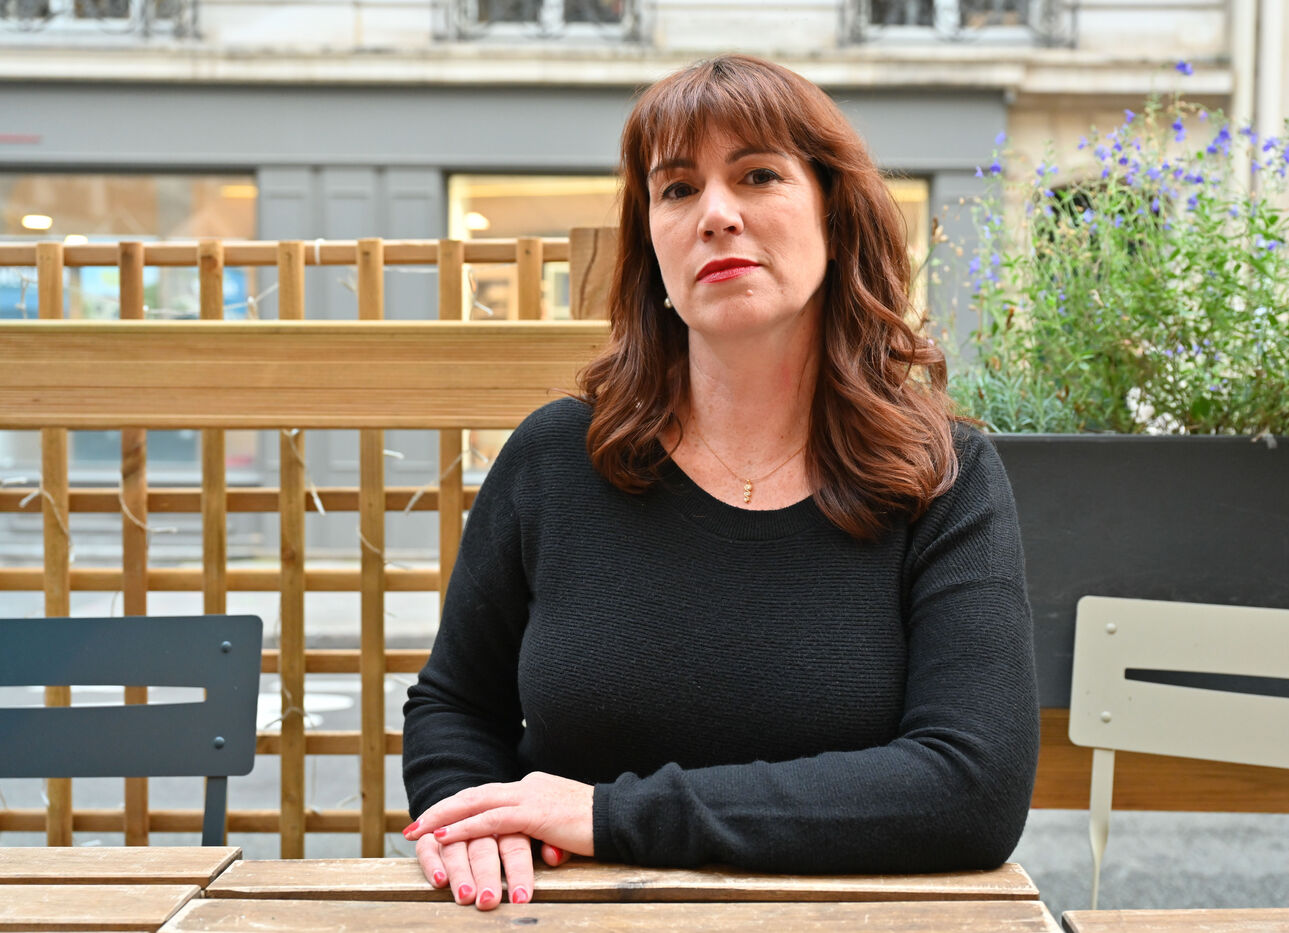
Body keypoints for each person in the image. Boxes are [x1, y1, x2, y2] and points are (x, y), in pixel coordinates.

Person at [401, 54, 1039, 912]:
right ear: (652, 246)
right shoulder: (556, 458)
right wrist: (479, 824)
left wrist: (608, 814)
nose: (716, 214)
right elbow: (453, 706)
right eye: (677, 189)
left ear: (835, 212)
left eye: (758, 175)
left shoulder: (941, 477)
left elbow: (972, 785)